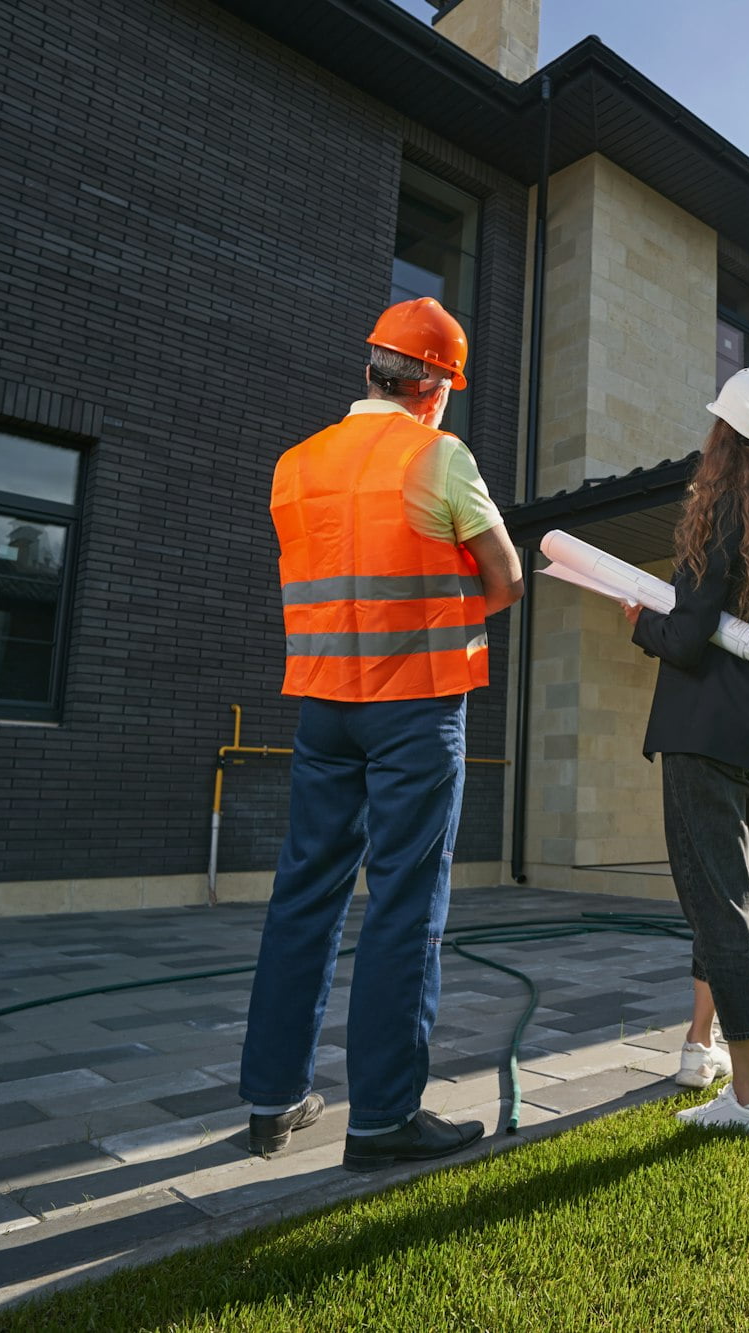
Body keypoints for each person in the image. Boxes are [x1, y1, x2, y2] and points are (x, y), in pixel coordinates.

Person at [239, 297, 523, 1171]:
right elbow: (505, 577)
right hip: (416, 708)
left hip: (324, 705)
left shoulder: (295, 465)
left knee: (304, 894)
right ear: (435, 387)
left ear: (370, 369)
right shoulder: (440, 457)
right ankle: (383, 1117)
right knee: (404, 903)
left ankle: (273, 1100)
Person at [625, 364, 749, 1136]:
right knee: (729, 899)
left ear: (727, 438)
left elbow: (681, 637)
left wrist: (637, 614)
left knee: (720, 906)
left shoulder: (720, 516)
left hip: (708, 736)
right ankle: (697, 1045)